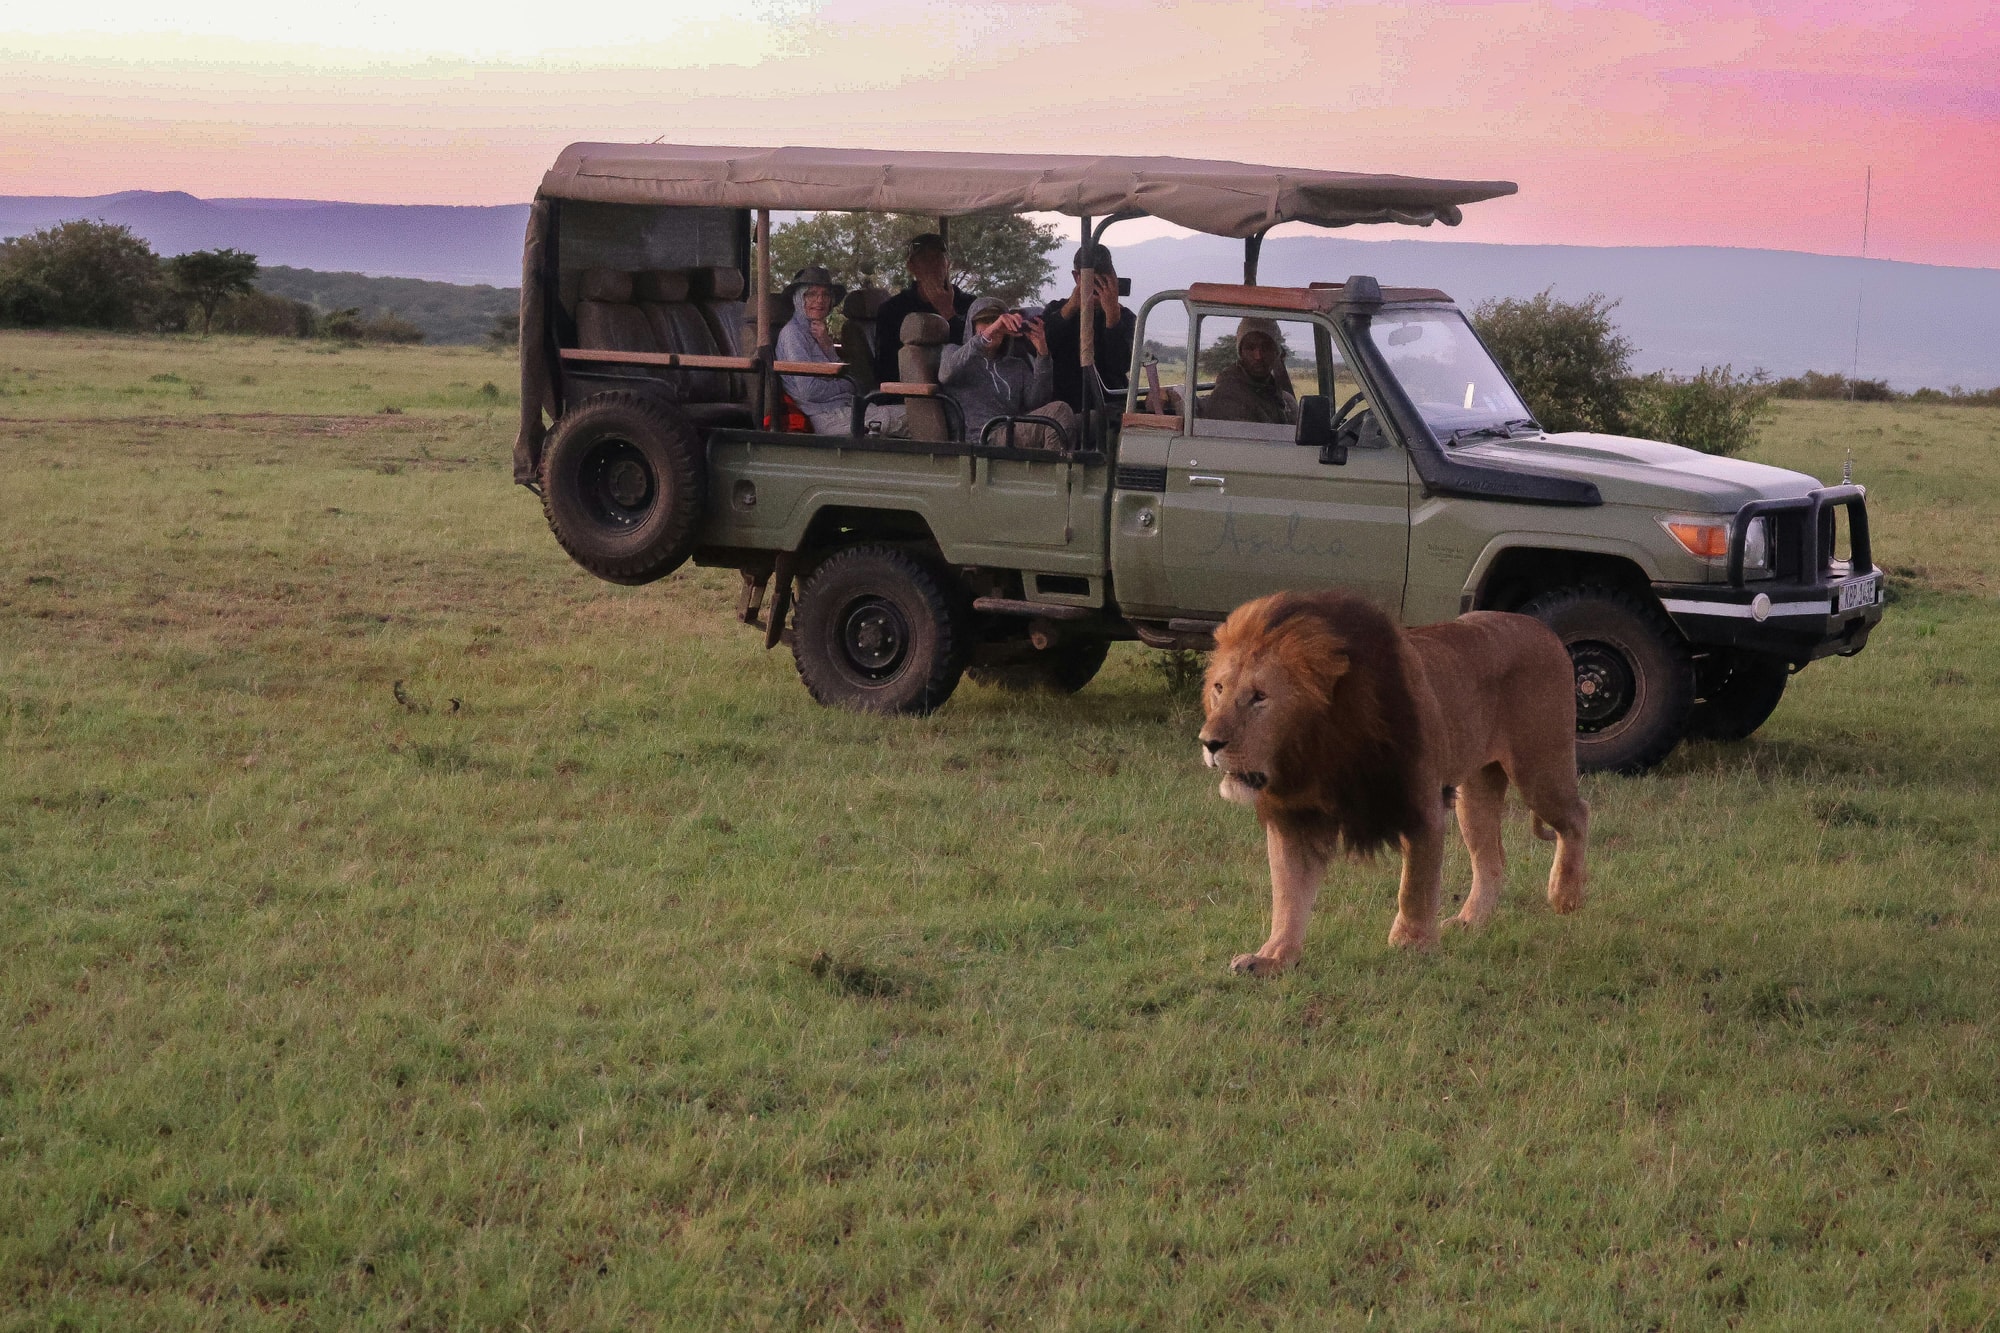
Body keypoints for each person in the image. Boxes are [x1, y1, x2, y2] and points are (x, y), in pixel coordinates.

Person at [939, 296, 1077, 450]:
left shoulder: (1016, 365)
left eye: (998, 323)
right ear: (972, 325)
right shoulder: (954, 352)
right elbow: (946, 374)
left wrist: (1043, 354)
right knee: (1059, 411)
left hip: (1010, 430)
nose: (994, 328)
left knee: (1080, 416)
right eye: (985, 322)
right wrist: (989, 333)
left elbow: (1038, 402)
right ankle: (1055, 472)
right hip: (981, 437)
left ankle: (1051, 469)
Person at [871, 233, 974, 388]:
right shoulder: (893, 310)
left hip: (964, 388)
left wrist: (948, 313)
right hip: (913, 394)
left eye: (937, 259)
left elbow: (976, 353)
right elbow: (887, 368)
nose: (932, 266)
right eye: (924, 260)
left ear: (948, 264)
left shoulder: (969, 304)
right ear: (911, 267)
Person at [1041, 243, 1134, 411]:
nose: (1098, 288)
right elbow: (1044, 348)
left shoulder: (1125, 317)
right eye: (1093, 282)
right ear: (1077, 277)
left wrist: (1112, 317)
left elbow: (1121, 364)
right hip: (1067, 404)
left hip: (1109, 403)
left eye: (1103, 281)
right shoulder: (1056, 310)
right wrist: (1071, 307)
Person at [775, 265, 854, 435]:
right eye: (811, 294)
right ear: (798, 299)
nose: (820, 300)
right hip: (826, 416)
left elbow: (846, 375)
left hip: (845, 408)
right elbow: (809, 390)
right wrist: (846, 387)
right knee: (908, 417)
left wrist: (827, 346)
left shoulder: (818, 332)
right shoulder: (792, 334)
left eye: (825, 294)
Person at [1199, 317, 1297, 425]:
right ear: (1241, 353)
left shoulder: (1278, 395)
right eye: (1250, 348)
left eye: (1266, 347)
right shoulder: (1228, 396)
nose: (1258, 356)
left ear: (1276, 352)